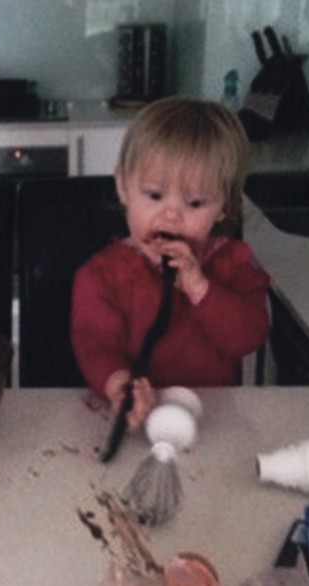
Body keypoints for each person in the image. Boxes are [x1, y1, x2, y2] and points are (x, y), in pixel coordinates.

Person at [71, 97, 270, 430]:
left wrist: (200, 288)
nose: (171, 215)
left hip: (211, 422)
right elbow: (96, 343)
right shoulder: (102, 276)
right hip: (137, 420)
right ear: (123, 187)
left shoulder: (232, 264)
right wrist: (120, 385)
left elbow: (249, 336)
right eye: (154, 195)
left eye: (194, 202)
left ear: (224, 207)